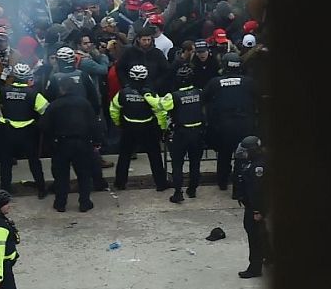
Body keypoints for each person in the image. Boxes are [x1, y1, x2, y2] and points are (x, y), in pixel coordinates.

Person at [39, 75, 101, 213]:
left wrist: (51, 142)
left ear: (61, 89)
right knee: (84, 174)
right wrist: (96, 141)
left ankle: (60, 203)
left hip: (61, 143)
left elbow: (43, 126)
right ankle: (84, 202)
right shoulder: (84, 103)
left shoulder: (55, 105)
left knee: (61, 175)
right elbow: (94, 123)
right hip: (83, 143)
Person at [108, 64, 170, 191]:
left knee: (124, 156)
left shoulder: (122, 93)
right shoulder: (150, 93)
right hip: (148, 128)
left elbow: (113, 109)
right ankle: (161, 184)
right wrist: (163, 127)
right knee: (155, 157)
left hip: (129, 128)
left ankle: (120, 183)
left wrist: (118, 123)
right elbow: (160, 111)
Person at [204, 51, 258, 189]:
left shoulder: (215, 82)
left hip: (224, 125)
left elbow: (204, 99)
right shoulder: (248, 82)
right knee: (243, 155)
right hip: (245, 124)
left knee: (224, 155)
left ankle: (222, 183)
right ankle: (239, 185)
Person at [0, 62, 49, 198]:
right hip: (28, 132)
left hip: (7, 131)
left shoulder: (3, 90)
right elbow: (46, 111)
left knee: (6, 163)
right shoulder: (34, 94)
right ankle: (41, 188)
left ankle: (5, 189)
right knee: (34, 161)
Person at [165, 63, 208, 202]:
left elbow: (160, 106)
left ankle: (178, 193)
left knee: (177, 164)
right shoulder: (200, 92)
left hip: (181, 133)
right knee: (195, 163)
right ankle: (192, 190)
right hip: (198, 133)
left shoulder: (173, 96)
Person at [232, 135, 269, 279]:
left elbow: (257, 191)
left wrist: (257, 210)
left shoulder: (257, 167)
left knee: (255, 237)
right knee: (261, 234)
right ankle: (269, 256)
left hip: (255, 207)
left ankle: (254, 268)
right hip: (252, 206)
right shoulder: (253, 162)